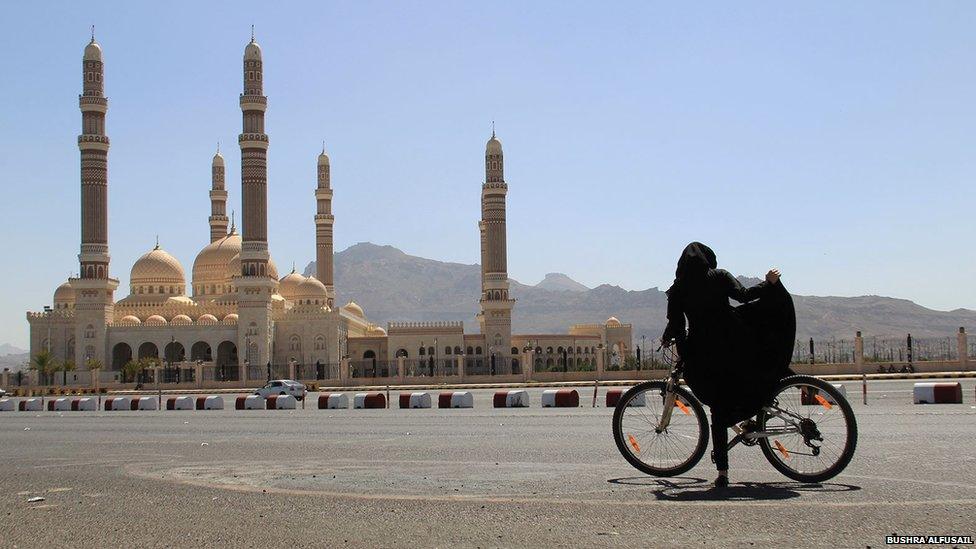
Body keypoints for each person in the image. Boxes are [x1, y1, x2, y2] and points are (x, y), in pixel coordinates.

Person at [661, 242, 795, 487]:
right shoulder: (719, 276)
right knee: (756, 371)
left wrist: (670, 339)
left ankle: (722, 472)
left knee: (718, 408)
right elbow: (744, 296)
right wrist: (769, 283)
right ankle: (756, 409)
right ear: (708, 258)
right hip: (735, 345)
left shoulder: (679, 288)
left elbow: (677, 323)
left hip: (704, 353)